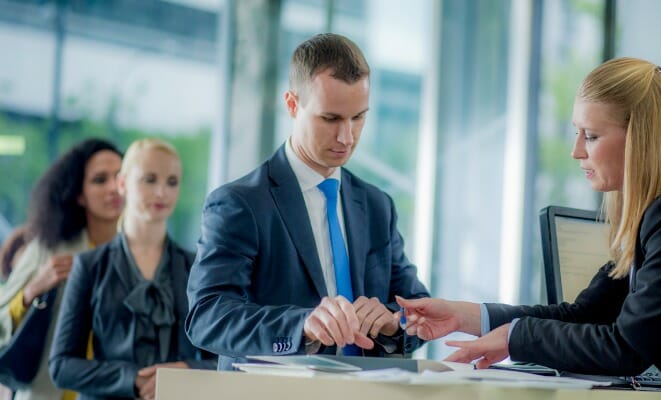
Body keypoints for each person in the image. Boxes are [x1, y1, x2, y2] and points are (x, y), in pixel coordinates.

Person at [398, 57, 661, 399]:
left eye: (592, 135)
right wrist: (466, 315)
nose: (575, 150)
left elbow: (626, 348)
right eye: (577, 132)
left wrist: (516, 337)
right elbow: (588, 315)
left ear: (640, 138)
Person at [185, 33, 430, 369]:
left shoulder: (377, 206)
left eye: (358, 117)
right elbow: (207, 316)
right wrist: (301, 325)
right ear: (292, 105)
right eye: (330, 119)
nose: (347, 136)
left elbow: (419, 309)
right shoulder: (240, 203)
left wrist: (393, 319)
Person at [49, 138, 216, 400]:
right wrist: (132, 379)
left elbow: (222, 359)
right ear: (123, 184)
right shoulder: (89, 266)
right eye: (150, 179)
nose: (162, 192)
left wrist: (185, 370)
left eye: (172, 182)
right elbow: (61, 366)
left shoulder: (197, 268)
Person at [0, 138, 124, 400]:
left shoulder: (139, 256)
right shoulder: (49, 248)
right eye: (100, 180)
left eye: (120, 177)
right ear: (79, 194)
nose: (114, 188)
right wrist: (33, 290)